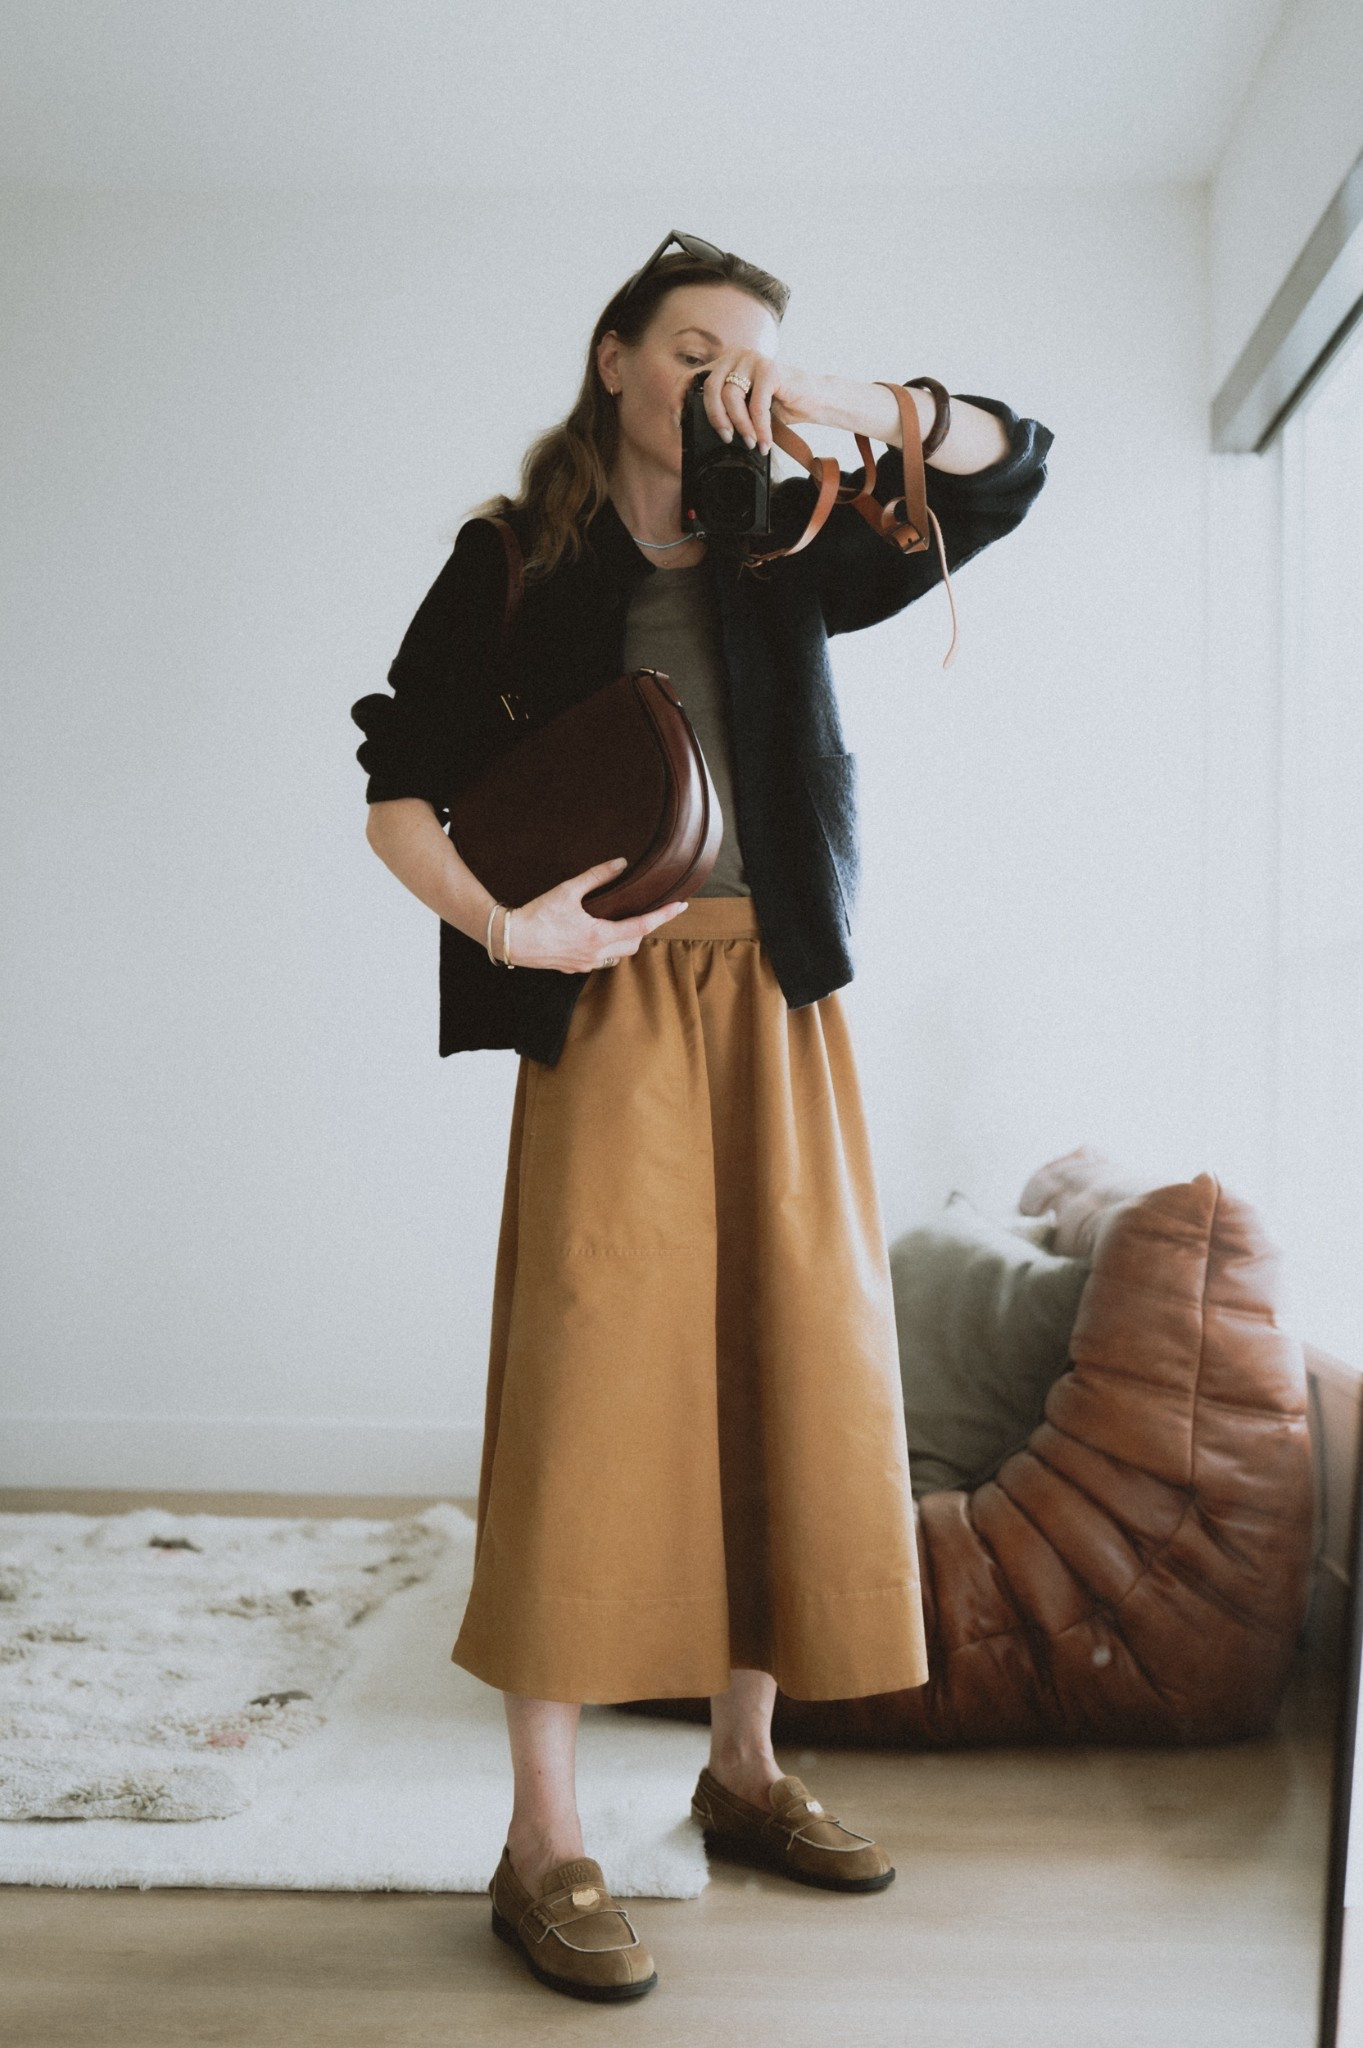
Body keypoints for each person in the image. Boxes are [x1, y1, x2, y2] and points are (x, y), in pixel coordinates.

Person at [351, 230, 1053, 2003]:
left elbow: (1010, 468)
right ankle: (543, 1843)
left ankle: (744, 1770)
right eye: (691, 346)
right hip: (607, 999)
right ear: (613, 358)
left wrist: (839, 400)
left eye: (747, 352)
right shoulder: (515, 558)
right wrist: (507, 928)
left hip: (783, 999)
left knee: (789, 1361)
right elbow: (396, 784)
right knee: (589, 1386)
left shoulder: (791, 537)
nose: (717, 375)